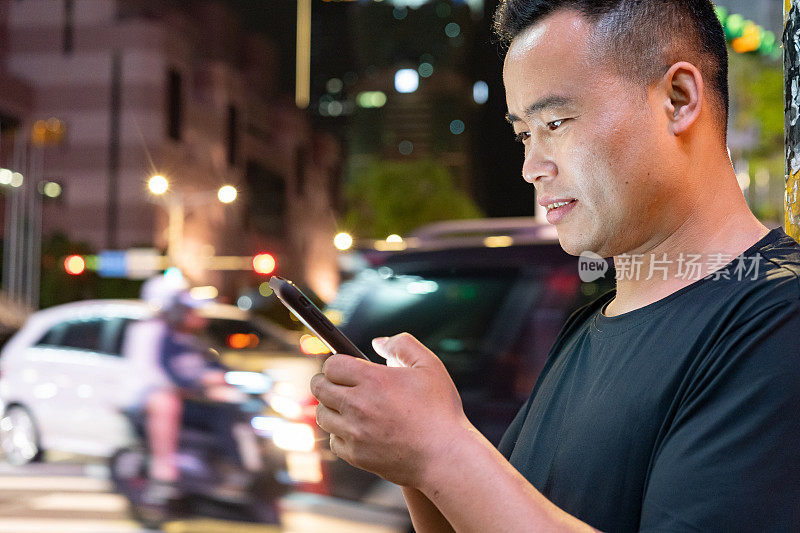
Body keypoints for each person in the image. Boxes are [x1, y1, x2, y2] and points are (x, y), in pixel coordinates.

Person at [310, 1, 800, 531]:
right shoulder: (587, 330)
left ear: (677, 100)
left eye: (555, 122)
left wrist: (442, 449)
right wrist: (414, 457)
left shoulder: (776, 322)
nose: (530, 167)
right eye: (524, 134)